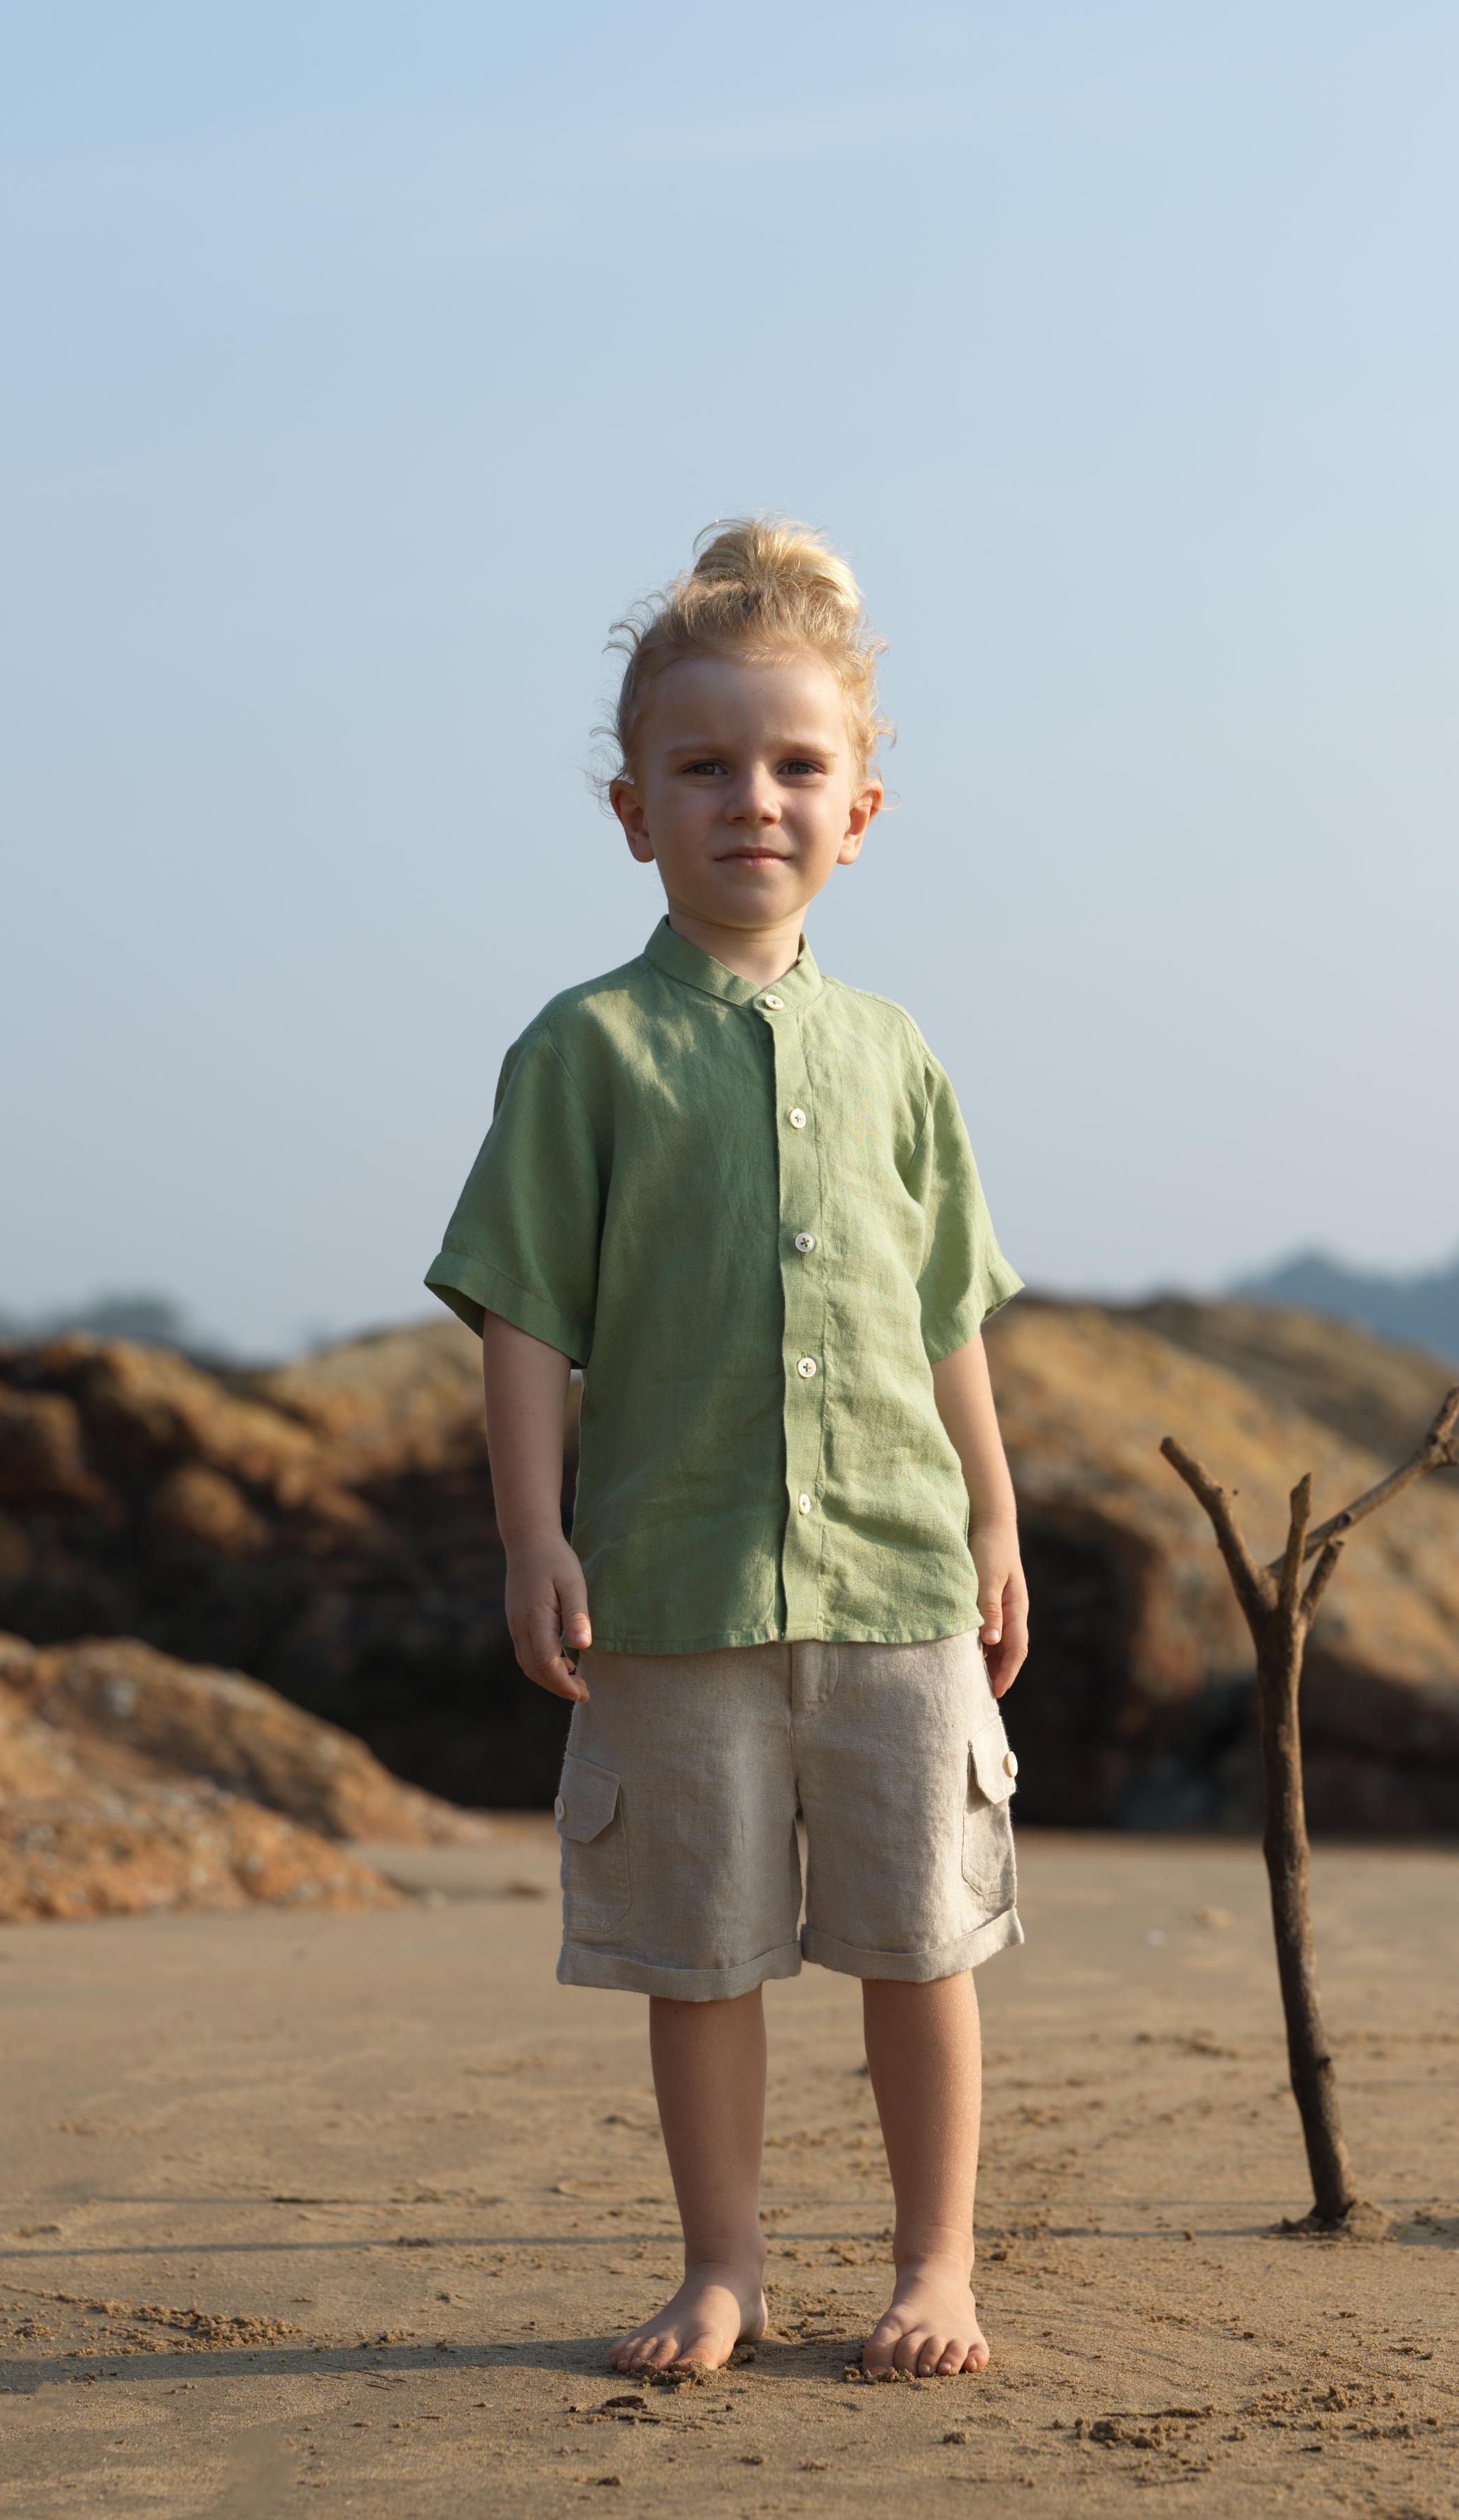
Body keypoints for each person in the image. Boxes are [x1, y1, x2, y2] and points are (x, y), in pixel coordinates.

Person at [425, 517, 1027, 2378]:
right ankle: (726, 2266)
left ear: (858, 812)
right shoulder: (583, 1052)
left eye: (792, 768)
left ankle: (937, 2267)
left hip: (895, 1577)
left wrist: (996, 1519)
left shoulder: (900, 1055)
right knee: (698, 1958)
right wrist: (535, 1539)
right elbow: (525, 1311)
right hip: (674, 1583)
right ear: (632, 810)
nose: (747, 801)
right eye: (703, 768)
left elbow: (948, 1313)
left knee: (920, 1941)